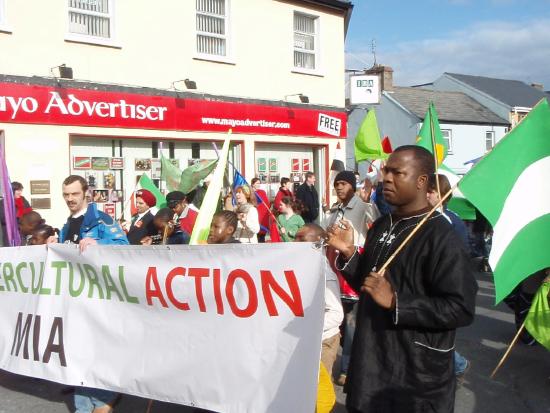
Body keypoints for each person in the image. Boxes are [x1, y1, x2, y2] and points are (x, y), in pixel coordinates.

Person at [327, 146, 477, 413]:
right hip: (370, 364)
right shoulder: (383, 224)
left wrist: (398, 302)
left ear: (421, 181)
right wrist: (349, 253)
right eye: (387, 171)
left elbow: (460, 307)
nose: (386, 178)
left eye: (397, 172)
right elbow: (371, 281)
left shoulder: (442, 236)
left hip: (414, 378)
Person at [53, 175, 128, 413]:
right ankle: (85, 405)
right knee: (80, 353)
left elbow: (125, 248)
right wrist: (57, 244)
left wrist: (100, 246)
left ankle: (105, 398)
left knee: (98, 352)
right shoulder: (67, 223)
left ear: (86, 193)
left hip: (99, 299)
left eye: (74, 194)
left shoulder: (102, 220)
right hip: (76, 300)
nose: (70, 199)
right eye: (66, 195)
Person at [323, 170, 380, 387]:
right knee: (337, 317)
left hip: (354, 266)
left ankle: (347, 368)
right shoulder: (333, 210)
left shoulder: (364, 206)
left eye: (344, 183)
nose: (339, 187)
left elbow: (376, 227)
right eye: (337, 184)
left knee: (351, 321)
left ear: (353, 186)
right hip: (334, 267)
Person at [427, 174, 472, 384]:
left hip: (443, 287)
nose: (428, 195)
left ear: (442, 194)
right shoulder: (422, 218)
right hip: (425, 286)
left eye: (432, 191)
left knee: (435, 336)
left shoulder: (451, 220)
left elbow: (461, 254)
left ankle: (458, 364)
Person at [295, 224, 343, 413]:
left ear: (318, 243)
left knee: (318, 392)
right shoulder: (301, 266)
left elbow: (336, 313)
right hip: (305, 337)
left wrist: (309, 326)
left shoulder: (324, 274)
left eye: (301, 238)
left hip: (323, 341)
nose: (295, 242)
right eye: (296, 237)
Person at [251, 178, 271, 242]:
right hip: (255, 214)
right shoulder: (250, 193)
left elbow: (267, 203)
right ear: (253, 184)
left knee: (261, 235)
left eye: (259, 183)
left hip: (263, 216)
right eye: (257, 183)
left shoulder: (262, 192)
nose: (259, 185)